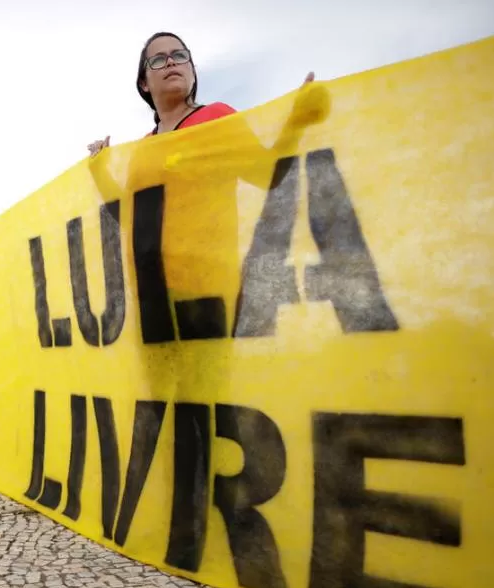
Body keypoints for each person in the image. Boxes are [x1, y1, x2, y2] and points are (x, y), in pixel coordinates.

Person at [84, 31, 328, 406]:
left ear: (193, 71)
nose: (171, 64)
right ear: (143, 83)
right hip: (151, 294)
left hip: (207, 286)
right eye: (159, 59)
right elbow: (130, 219)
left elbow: (267, 174)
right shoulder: (143, 150)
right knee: (163, 405)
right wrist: (100, 171)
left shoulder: (214, 118)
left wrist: (296, 121)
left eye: (179, 56)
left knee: (208, 403)